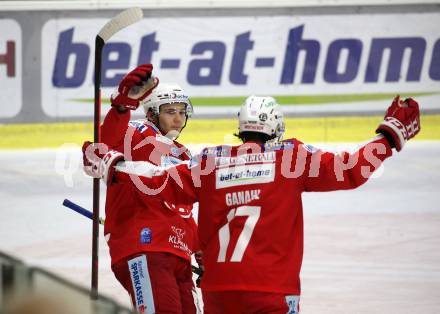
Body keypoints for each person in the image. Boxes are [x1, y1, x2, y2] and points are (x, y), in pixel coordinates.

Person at [89, 94, 420, 313]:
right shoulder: (293, 158)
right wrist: (389, 136)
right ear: (275, 127)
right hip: (271, 291)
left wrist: (113, 165)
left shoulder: (208, 162)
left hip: (219, 293)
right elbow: (353, 169)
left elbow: (155, 182)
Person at [83, 64, 201, 314]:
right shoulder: (138, 132)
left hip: (177, 253)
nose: (178, 118)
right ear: (151, 113)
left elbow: (184, 211)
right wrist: (121, 106)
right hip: (145, 247)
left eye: (182, 111)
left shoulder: (183, 154)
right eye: (170, 111)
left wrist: (201, 251)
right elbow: (96, 151)